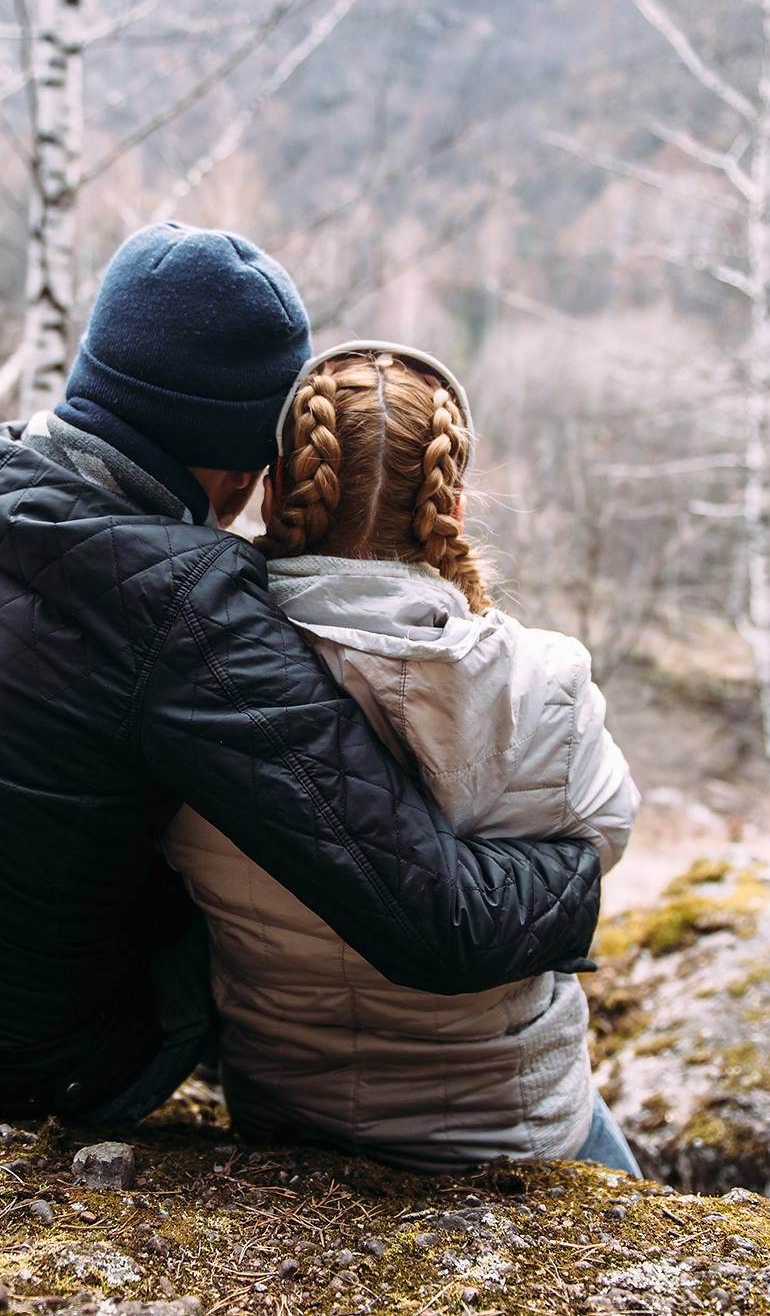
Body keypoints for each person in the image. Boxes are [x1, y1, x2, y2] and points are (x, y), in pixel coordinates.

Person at [0, 224, 605, 1124]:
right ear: (243, 469)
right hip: (9, 1068)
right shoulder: (184, 604)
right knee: (260, 893)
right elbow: (433, 923)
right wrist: (582, 874)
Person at [166, 342, 644, 1174]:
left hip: (287, 1108)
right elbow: (604, 839)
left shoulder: (200, 678)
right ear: (450, 503)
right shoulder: (546, 683)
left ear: (278, 490)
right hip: (516, 1124)